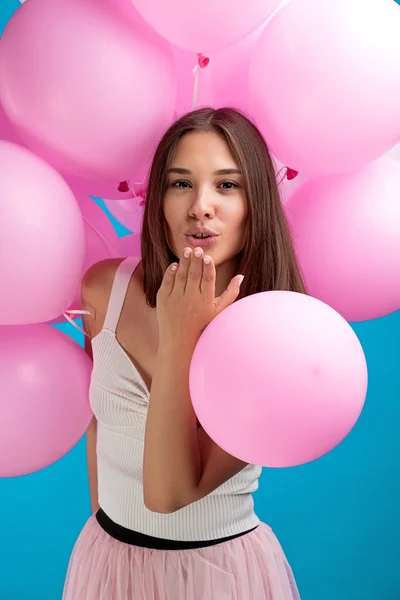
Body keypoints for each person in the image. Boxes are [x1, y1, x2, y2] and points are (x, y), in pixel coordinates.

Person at [62, 107, 305, 599]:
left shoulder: (282, 340)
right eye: (180, 184)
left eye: (228, 185)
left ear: (258, 201)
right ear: (159, 200)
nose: (201, 207)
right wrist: (106, 544)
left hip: (218, 576)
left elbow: (167, 495)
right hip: (111, 562)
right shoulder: (104, 288)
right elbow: (99, 422)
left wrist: (180, 335)